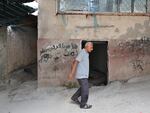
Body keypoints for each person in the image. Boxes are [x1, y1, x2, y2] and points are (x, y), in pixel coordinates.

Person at [68, 42, 93, 109]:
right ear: (87, 46)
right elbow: (76, 62)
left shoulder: (86, 53)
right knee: (85, 90)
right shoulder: (82, 53)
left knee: (84, 87)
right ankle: (83, 105)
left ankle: (74, 97)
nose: (92, 49)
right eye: (91, 47)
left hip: (83, 75)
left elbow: (74, 61)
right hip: (81, 76)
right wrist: (71, 73)